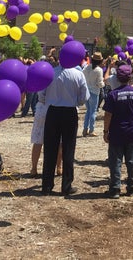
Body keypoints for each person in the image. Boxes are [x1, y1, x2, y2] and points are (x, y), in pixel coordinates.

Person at [39, 56, 89, 196]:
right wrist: (76, 102)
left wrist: (49, 100)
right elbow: (84, 97)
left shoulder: (50, 73)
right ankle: (66, 186)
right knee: (68, 149)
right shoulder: (78, 74)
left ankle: (47, 186)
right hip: (69, 112)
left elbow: (41, 95)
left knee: (50, 149)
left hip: (53, 111)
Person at [103, 64, 133, 198]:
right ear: (130, 77)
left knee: (115, 161)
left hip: (116, 133)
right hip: (132, 132)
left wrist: (106, 131)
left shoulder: (113, 94)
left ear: (117, 77)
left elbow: (108, 115)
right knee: (132, 161)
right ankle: (132, 187)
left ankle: (115, 188)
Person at [29, 98, 62, 178]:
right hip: (57, 107)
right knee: (59, 140)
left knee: (38, 140)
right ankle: (59, 167)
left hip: (42, 107)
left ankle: (34, 168)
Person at [82, 52, 105, 137]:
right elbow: (100, 83)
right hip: (94, 92)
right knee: (93, 111)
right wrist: (103, 83)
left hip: (86, 91)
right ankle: (91, 130)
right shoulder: (99, 70)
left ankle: (85, 129)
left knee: (88, 111)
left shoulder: (86, 67)